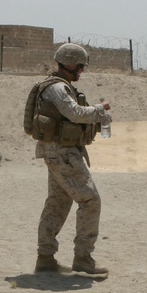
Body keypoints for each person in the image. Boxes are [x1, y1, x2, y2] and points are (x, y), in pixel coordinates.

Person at [30, 43, 111, 275]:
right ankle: (83, 257)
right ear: (72, 65)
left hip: (59, 151)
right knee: (90, 200)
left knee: (58, 202)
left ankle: (45, 257)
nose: (82, 72)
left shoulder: (56, 86)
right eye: (81, 67)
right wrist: (99, 111)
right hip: (62, 153)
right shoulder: (57, 88)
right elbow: (73, 112)